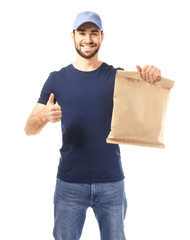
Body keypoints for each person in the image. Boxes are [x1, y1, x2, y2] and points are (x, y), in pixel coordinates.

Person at [24, 11, 161, 240]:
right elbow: (29, 129)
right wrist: (44, 116)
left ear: (102, 37)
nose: (88, 39)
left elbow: (147, 108)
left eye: (93, 33)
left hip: (111, 183)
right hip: (69, 183)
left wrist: (152, 78)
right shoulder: (57, 79)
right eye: (82, 33)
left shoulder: (118, 77)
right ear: (73, 36)